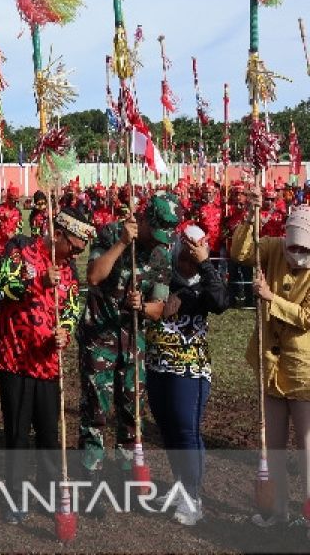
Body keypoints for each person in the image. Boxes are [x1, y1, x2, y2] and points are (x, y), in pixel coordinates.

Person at [0, 207, 93, 524]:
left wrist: (65, 330)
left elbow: (73, 309)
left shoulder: (69, 271)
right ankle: (15, 498)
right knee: (18, 435)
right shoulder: (21, 249)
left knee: (50, 437)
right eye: (74, 247)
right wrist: (36, 279)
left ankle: (50, 496)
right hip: (16, 360)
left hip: (48, 365)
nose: (76, 254)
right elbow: (3, 287)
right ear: (60, 235)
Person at [79, 193, 179, 487]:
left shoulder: (161, 254)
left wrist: (143, 306)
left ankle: (127, 472)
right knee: (96, 410)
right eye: (156, 233)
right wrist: (122, 243)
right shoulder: (111, 233)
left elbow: (159, 307)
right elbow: (94, 277)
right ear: (145, 219)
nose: (159, 242)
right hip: (99, 339)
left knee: (132, 411)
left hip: (133, 343)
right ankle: (91, 474)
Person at [140, 224, 228, 526]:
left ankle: (193, 497)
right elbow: (145, 300)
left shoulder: (207, 280)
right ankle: (179, 486)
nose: (186, 262)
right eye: (184, 254)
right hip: (157, 364)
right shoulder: (162, 272)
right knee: (167, 429)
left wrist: (205, 263)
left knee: (186, 430)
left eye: (194, 256)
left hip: (189, 368)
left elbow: (220, 303)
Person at [232, 193, 310, 529]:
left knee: (307, 449)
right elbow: (240, 252)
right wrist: (252, 215)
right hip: (271, 364)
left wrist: (270, 298)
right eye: (293, 248)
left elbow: (306, 317)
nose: (296, 256)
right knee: (275, 446)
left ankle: (308, 516)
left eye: (304, 251)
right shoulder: (274, 247)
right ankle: (280, 512)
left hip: (304, 369)